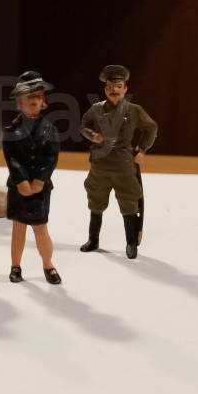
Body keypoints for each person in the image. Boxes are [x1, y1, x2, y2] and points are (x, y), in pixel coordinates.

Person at [79, 65, 158, 259]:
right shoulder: (96, 109)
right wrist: (92, 135)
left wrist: (142, 149)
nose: (114, 90)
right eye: (110, 87)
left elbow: (151, 128)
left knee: (129, 203)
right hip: (100, 164)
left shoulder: (134, 110)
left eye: (118, 86)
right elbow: (83, 126)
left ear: (125, 89)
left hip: (123, 164)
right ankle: (93, 240)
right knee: (95, 202)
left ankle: (131, 243)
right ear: (105, 89)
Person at [2, 71, 61, 285]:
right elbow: (12, 158)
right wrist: (21, 181)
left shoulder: (51, 130)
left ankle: (48, 264)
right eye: (29, 96)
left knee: (41, 229)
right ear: (20, 102)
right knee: (18, 229)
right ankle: (15, 266)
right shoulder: (11, 130)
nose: (34, 100)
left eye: (38, 96)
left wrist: (39, 180)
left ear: (44, 101)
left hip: (40, 188)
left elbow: (51, 157)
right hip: (19, 187)